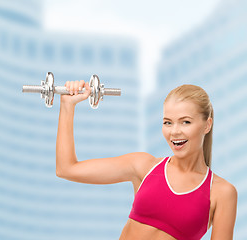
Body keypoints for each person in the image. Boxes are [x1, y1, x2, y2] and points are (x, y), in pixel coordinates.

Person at [56, 80, 238, 240]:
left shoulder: (222, 193)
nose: (174, 132)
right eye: (168, 122)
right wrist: (67, 105)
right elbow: (67, 169)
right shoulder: (143, 166)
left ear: (207, 125)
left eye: (185, 122)